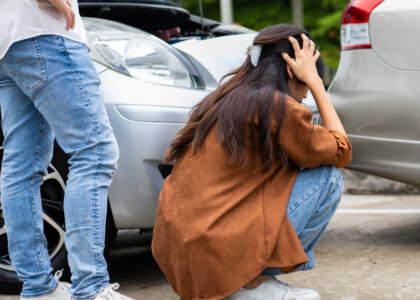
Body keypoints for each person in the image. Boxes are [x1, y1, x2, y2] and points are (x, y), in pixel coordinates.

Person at [151, 24, 352, 300]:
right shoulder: (277, 106)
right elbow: (341, 150)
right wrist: (318, 84)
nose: (305, 95)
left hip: (180, 257)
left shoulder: (222, 98)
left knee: (288, 169)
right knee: (328, 177)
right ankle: (251, 285)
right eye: (306, 82)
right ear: (293, 71)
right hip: (212, 247)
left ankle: (237, 282)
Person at [0, 0, 133, 299]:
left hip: (7, 39)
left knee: (22, 165)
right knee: (94, 151)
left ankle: (38, 289)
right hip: (42, 30)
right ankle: (91, 287)